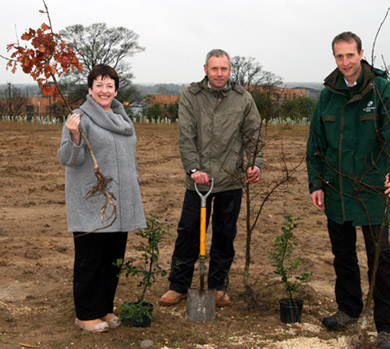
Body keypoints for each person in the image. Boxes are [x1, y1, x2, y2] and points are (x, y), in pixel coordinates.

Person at [306, 32, 390, 349]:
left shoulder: (382, 90)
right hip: (337, 189)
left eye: (350, 55)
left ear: (361, 53)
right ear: (334, 58)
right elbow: (315, 145)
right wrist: (316, 183)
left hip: (372, 190)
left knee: (380, 258)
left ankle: (387, 327)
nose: (345, 63)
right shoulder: (328, 95)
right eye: (339, 57)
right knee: (343, 255)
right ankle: (348, 310)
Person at [160, 49, 263, 307]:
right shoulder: (191, 97)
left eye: (224, 69)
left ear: (230, 70)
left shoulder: (243, 98)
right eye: (214, 68)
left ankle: (218, 286)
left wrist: (255, 164)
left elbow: (254, 135)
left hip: (230, 179)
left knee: (225, 235)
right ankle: (179, 285)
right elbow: (186, 136)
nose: (219, 74)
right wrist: (194, 169)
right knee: (188, 233)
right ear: (205, 69)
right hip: (199, 181)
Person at [57, 64, 146, 333]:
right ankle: (86, 314)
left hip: (119, 202)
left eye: (109, 86)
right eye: (99, 85)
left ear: (116, 90)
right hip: (92, 202)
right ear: (90, 89)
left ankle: (105, 309)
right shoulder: (78, 117)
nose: (104, 90)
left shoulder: (122, 119)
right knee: (90, 259)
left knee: (112, 258)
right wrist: (73, 136)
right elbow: (67, 159)